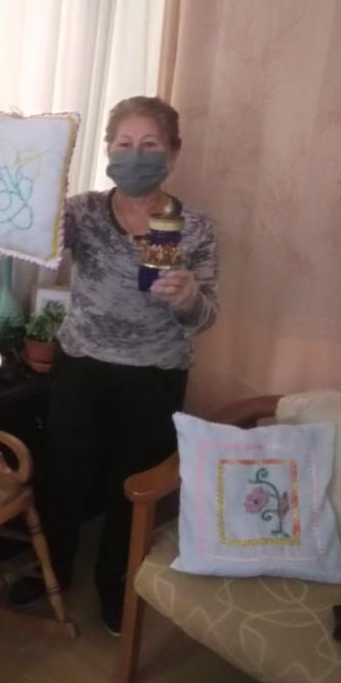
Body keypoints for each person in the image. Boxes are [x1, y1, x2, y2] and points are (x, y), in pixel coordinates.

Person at [34, 96, 218, 634]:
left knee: (131, 488)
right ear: (108, 150)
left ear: (173, 153)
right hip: (82, 365)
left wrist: (186, 297)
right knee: (64, 476)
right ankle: (55, 573)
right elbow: (37, 248)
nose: (135, 155)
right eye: (124, 145)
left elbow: (204, 319)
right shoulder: (81, 211)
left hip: (155, 374)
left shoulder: (193, 228)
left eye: (150, 145)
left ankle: (116, 587)